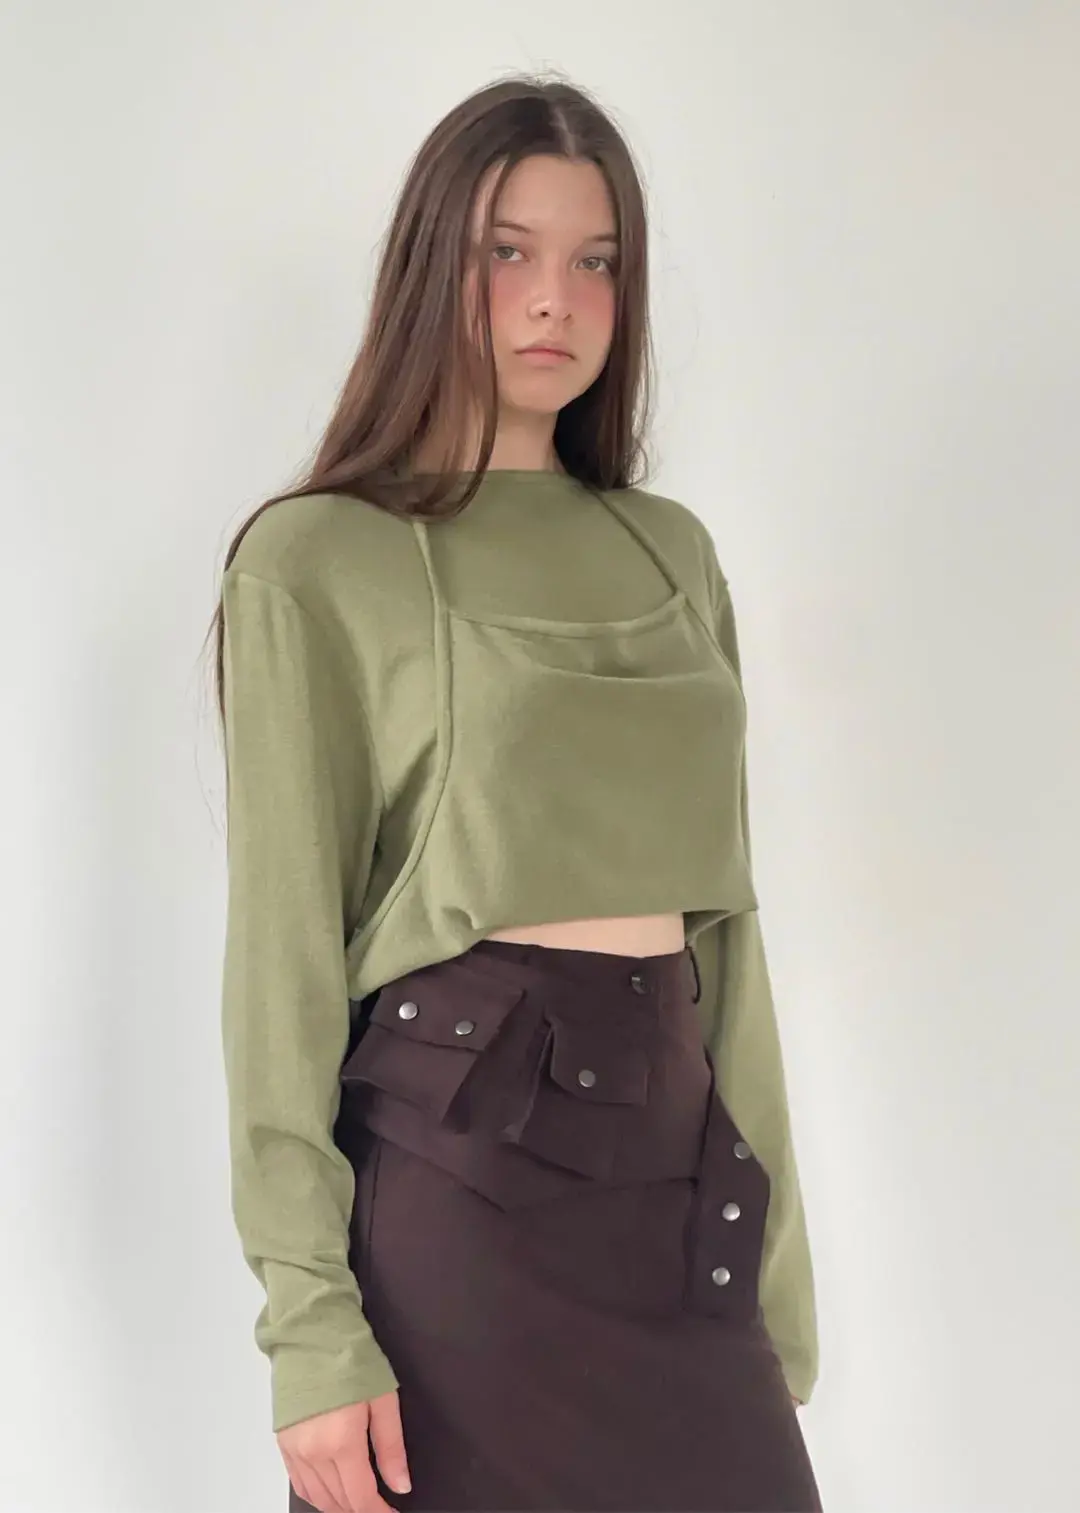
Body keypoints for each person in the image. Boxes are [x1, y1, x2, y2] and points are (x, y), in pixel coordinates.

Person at [206, 72, 823, 1513]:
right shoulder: (316, 558)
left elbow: (730, 945)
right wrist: (310, 1330)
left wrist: (776, 1273)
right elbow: (281, 967)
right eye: (509, 251)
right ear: (436, 263)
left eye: (596, 260)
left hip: (673, 1190)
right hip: (461, 1200)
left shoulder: (672, 552)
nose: (556, 298)